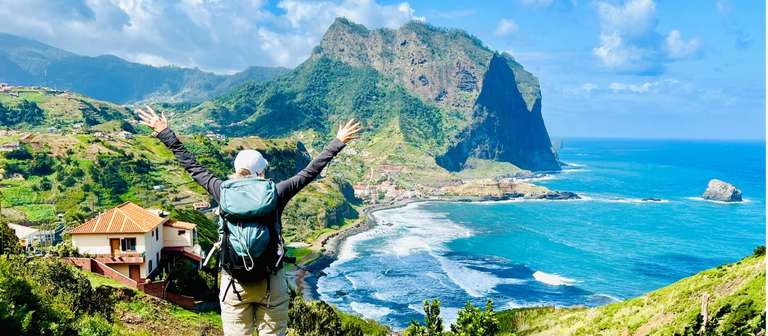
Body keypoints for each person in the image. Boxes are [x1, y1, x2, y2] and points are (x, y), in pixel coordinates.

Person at [137, 106, 361, 336]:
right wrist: (338, 141)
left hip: (233, 282)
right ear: (261, 172)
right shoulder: (276, 192)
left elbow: (191, 166)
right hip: (270, 281)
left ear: (236, 171)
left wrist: (165, 132)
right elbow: (309, 172)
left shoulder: (221, 190)